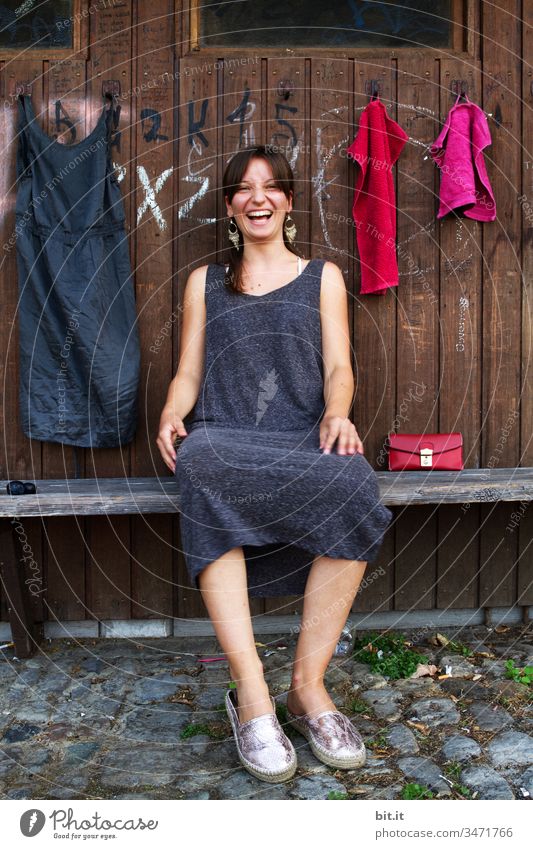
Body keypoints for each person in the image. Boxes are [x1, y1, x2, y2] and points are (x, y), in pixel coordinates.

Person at [157, 145, 393, 783]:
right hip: (226, 439)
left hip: (300, 438)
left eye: (270, 187)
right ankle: (253, 694)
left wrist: (337, 414)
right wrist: (171, 413)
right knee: (199, 457)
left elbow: (340, 368)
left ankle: (308, 688)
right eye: (242, 189)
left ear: (287, 201)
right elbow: (187, 373)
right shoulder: (204, 283)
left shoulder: (324, 277)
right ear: (231, 207)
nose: (256, 198)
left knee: (351, 481)